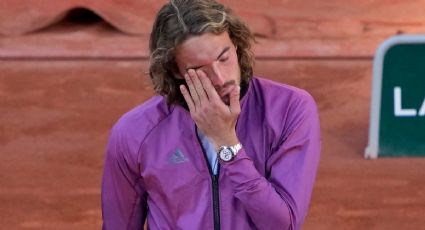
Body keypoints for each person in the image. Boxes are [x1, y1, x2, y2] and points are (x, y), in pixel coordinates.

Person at [101, 0, 321, 229]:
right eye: (199, 69)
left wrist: (226, 143)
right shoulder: (134, 133)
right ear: (175, 71)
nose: (219, 78)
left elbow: (283, 225)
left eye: (223, 58)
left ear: (236, 45)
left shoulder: (290, 109)